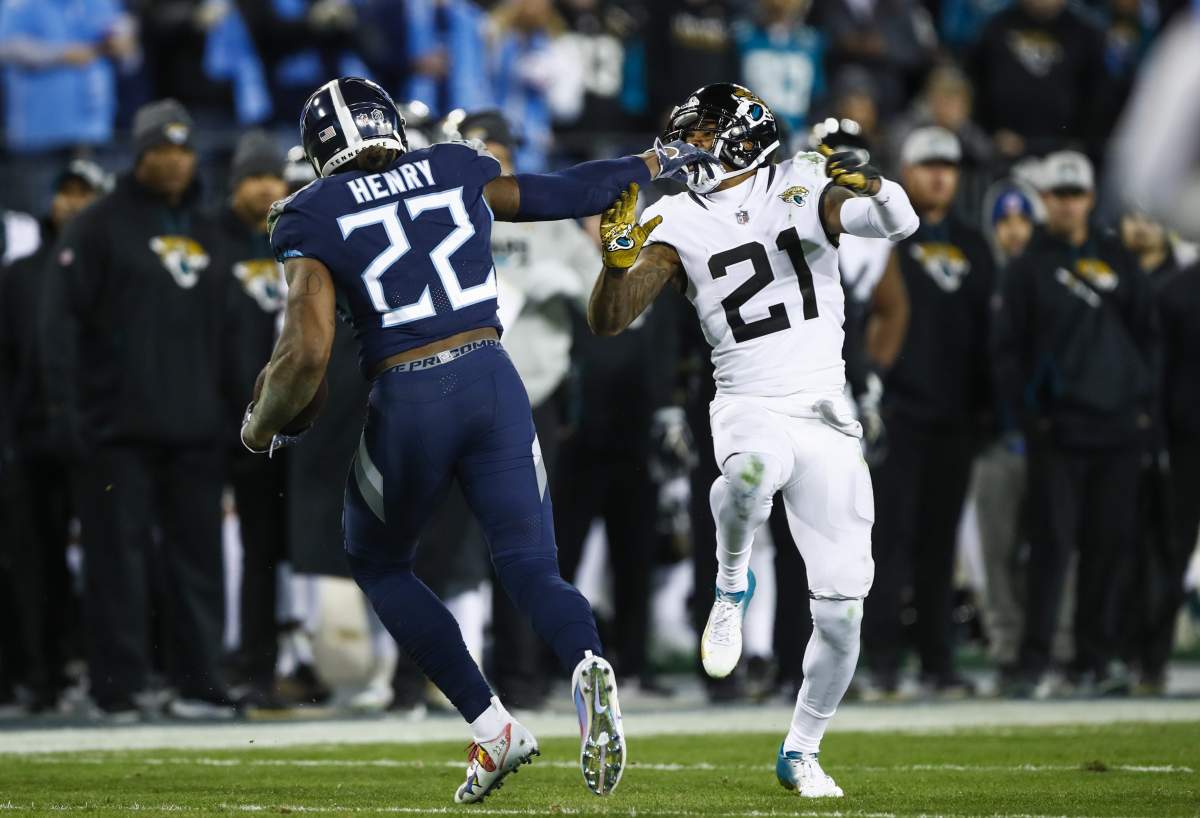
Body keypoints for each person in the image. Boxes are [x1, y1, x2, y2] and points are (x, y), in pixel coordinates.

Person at [239, 76, 717, 802]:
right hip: (494, 379)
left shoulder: (309, 212)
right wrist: (655, 160)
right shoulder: (454, 164)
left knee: (379, 560)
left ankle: (493, 728)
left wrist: (260, 424)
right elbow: (572, 191)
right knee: (532, 566)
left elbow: (305, 354)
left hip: (409, 392)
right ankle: (587, 659)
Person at [588, 82, 918, 797]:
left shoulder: (803, 178)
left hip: (825, 412)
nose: (689, 145)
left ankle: (802, 749)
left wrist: (877, 183)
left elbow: (898, 222)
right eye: (688, 132)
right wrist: (614, 266)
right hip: (747, 401)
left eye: (703, 132)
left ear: (744, 136)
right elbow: (611, 320)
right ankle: (731, 584)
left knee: (842, 615)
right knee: (749, 474)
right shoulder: (672, 215)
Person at [41, 99, 239, 720]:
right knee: (115, 565)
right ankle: (119, 687)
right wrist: (65, 412)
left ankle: (198, 684)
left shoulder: (210, 229)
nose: (174, 161)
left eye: (183, 150)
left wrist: (238, 415)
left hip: (197, 430)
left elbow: (231, 335)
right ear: (140, 154)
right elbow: (59, 324)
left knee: (198, 563)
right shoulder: (98, 226)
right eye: (162, 149)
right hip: (115, 431)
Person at [993, 150, 1158, 697]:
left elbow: (1149, 336)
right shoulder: (1027, 267)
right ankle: (1036, 661)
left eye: (1076, 194)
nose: (1067, 204)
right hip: (1058, 432)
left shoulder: (1119, 259)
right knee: (1051, 549)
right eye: (1058, 195)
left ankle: (1094, 660)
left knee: (1108, 549)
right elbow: (1008, 352)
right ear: (1045, 200)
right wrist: (1030, 419)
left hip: (1118, 428)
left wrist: (1143, 407)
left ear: (1090, 198)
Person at [860, 127, 994, 697]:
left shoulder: (975, 244)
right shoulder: (879, 235)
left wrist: (986, 408)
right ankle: (882, 659)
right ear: (905, 171)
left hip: (955, 416)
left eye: (949, 165)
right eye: (928, 164)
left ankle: (938, 662)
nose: (940, 175)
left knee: (940, 546)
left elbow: (988, 336)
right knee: (888, 541)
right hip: (897, 413)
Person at [0, 159, 107, 714]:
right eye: (66, 191)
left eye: (84, 192)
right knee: (34, 561)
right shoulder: (19, 274)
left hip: (100, 437)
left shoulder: (115, 268)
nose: (72, 202)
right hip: (34, 439)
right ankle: (42, 675)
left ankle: (108, 673)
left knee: (111, 559)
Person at [214, 130, 290, 706]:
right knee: (238, 551)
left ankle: (275, 665)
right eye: (254, 177)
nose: (266, 187)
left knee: (274, 551)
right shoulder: (208, 242)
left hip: (288, 422)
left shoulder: (298, 233)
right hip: (226, 422)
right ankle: (235, 663)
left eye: (272, 176)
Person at [967, 0, 1108, 160]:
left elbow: (1099, 100)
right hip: (1000, 152)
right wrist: (990, 136)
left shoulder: (1086, 34)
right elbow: (974, 84)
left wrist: (1063, 145)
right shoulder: (995, 26)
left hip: (1065, 156)